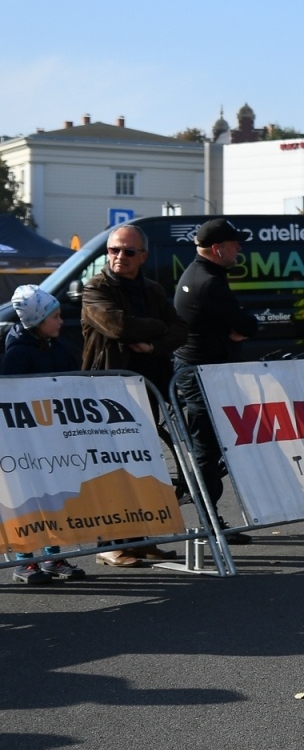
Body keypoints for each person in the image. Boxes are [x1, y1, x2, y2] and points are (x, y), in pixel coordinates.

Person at [79, 224, 189, 566]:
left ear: (142, 256)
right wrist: (157, 327)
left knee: (143, 465)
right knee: (111, 468)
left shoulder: (152, 289)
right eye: (113, 250)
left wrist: (154, 343)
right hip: (108, 392)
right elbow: (118, 327)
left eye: (128, 251)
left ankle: (141, 539)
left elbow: (181, 329)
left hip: (147, 389)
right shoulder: (96, 288)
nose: (119, 257)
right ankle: (110, 545)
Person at [171, 218, 259, 542]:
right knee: (207, 450)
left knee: (210, 448)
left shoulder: (200, 274)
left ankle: (210, 518)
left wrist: (237, 326)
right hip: (201, 375)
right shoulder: (209, 282)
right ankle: (209, 523)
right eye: (235, 244)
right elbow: (246, 324)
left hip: (199, 371)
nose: (240, 249)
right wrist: (241, 327)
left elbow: (238, 324)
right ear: (218, 248)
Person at [4, 286, 87, 583]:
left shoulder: (57, 347)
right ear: (38, 320)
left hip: (54, 437)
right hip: (26, 441)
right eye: (55, 317)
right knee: (28, 500)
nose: (61, 321)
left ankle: (53, 554)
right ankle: (26, 560)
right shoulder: (17, 352)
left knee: (55, 497)